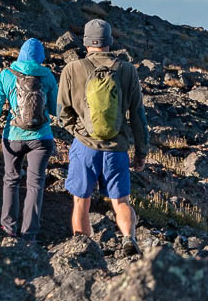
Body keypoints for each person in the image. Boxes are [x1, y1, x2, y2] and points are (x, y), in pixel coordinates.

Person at [53, 18, 150, 255]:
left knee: (81, 201)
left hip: (85, 146)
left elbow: (61, 111)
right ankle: (129, 238)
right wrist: (141, 152)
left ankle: (83, 249)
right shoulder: (127, 70)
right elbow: (138, 115)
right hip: (116, 148)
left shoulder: (72, 69)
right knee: (121, 202)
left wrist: (78, 131)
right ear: (109, 42)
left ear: (86, 42)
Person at [0, 38, 59, 237]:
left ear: (21, 54)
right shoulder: (47, 75)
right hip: (41, 137)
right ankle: (30, 234)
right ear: (40, 56)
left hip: (12, 136)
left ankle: (8, 228)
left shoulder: (6, 75)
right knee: (35, 185)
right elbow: (54, 109)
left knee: (11, 180)